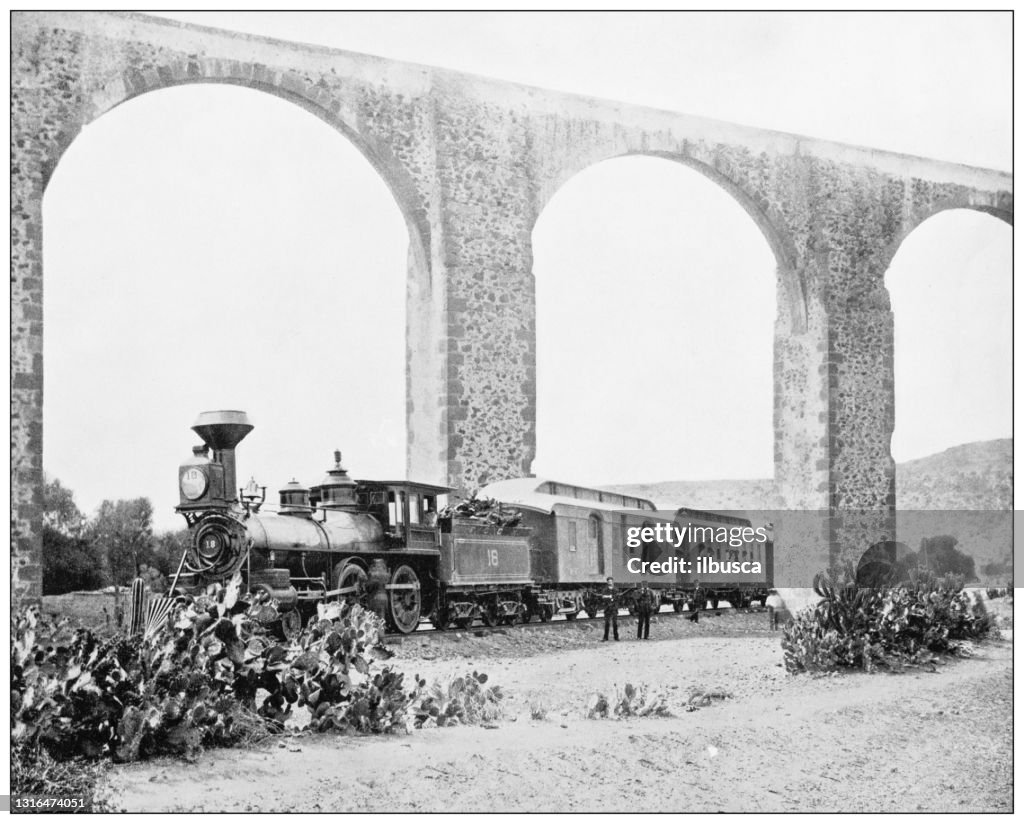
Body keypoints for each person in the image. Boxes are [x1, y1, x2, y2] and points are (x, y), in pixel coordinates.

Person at [601, 577, 619, 641]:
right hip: (607, 608)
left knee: (615, 623)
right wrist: (610, 597)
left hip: (614, 608)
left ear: (612, 582)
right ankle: (605, 637)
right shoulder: (604, 590)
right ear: (607, 582)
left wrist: (609, 597)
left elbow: (617, 598)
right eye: (608, 581)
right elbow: (603, 598)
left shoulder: (616, 590)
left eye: (611, 581)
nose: (610, 582)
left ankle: (616, 637)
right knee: (607, 623)